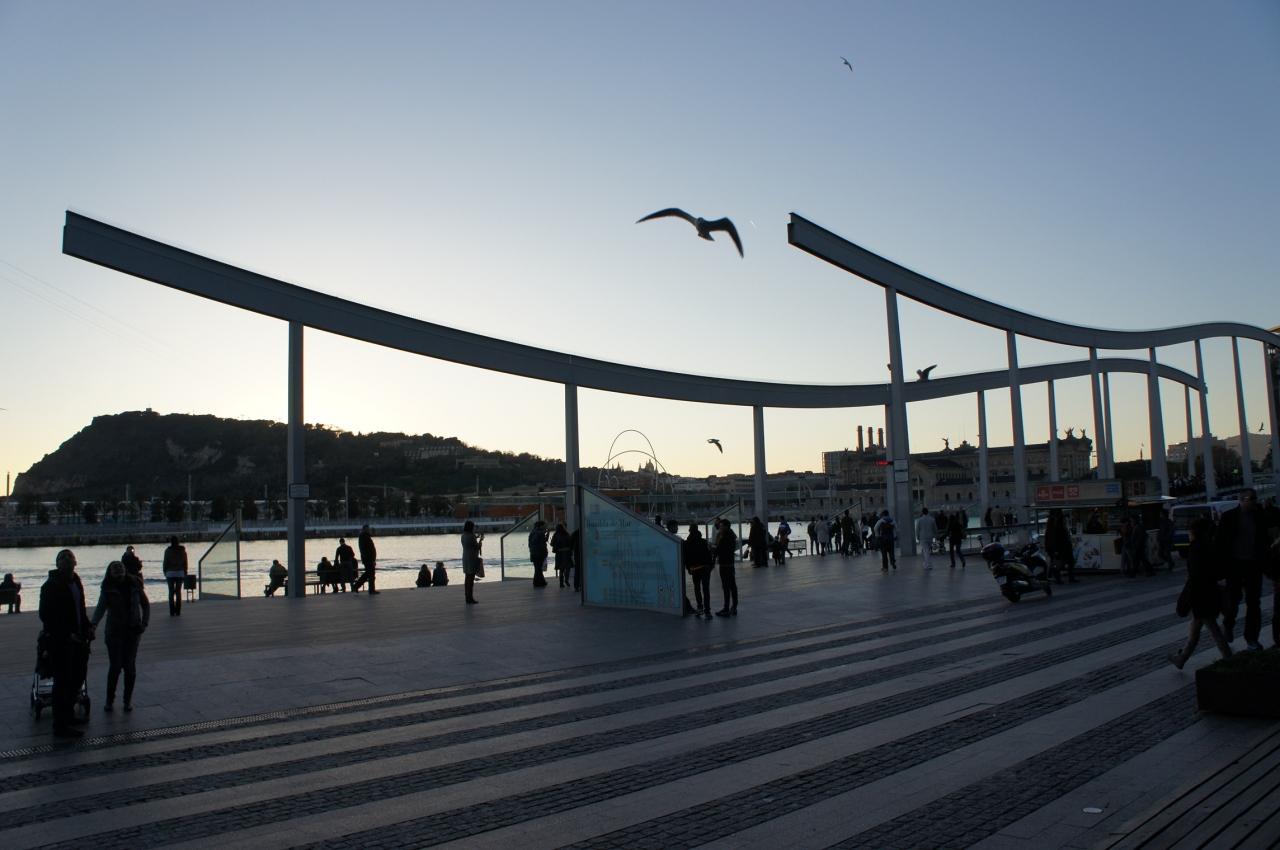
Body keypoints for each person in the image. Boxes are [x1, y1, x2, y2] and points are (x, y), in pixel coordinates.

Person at [39, 549, 92, 738]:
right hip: (60, 642)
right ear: (57, 564)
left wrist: (87, 628)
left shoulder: (76, 582)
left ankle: (68, 715)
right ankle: (60, 725)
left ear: (76, 562)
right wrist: (67, 634)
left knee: (77, 678)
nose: (67, 559)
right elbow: (46, 615)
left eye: (70, 556)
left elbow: (80, 609)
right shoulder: (50, 586)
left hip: (79, 640)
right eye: (63, 557)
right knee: (62, 682)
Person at [1169, 517, 1232, 668]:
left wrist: (1189, 595)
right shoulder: (1210, 546)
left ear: (1195, 532)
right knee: (1195, 630)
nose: (1188, 534)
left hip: (1201, 596)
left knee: (1213, 630)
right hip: (1210, 593)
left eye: (1190, 532)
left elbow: (1195, 576)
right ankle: (1181, 658)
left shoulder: (1195, 549)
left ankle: (1229, 658)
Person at [1217, 488, 1276, 650]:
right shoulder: (1229, 517)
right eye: (1251, 498)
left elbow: (1265, 541)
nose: (1255, 501)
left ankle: (1251, 638)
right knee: (1233, 599)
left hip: (1253, 565)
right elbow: (1220, 544)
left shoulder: (1260, 516)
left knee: (1254, 603)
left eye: (1255, 498)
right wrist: (1221, 569)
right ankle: (1228, 624)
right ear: (1242, 499)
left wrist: (1267, 564)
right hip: (1234, 565)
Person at [90, 560, 149, 711]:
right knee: (115, 667)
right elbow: (100, 608)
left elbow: (145, 604)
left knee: (130, 668)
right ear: (110, 573)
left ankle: (127, 701)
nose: (118, 570)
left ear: (125, 570)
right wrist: (93, 624)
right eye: (115, 569)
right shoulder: (108, 589)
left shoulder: (135, 584)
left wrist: (144, 624)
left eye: (120, 568)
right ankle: (109, 700)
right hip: (114, 632)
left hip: (133, 632)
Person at [683, 523, 713, 619]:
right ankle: (707, 611)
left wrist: (688, 568)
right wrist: (710, 566)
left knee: (697, 589)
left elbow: (686, 558)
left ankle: (700, 607)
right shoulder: (703, 542)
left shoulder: (687, 543)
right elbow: (708, 555)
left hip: (695, 569)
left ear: (689, 530)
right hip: (705, 568)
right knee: (706, 589)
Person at [1044, 508, 1077, 584]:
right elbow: (1054, 537)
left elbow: (1050, 537)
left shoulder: (1053, 523)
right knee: (1062, 562)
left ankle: (1059, 578)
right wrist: (1055, 549)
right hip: (1060, 547)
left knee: (1062, 562)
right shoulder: (1056, 523)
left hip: (1060, 547)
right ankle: (1061, 578)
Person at [713, 518, 738, 617]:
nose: (720, 527)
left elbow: (721, 549)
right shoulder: (730, 535)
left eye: (721, 526)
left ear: (726, 527)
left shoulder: (725, 537)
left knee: (726, 586)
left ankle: (726, 608)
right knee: (732, 586)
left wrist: (713, 548)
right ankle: (733, 607)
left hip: (725, 564)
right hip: (729, 564)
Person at [162, 536, 188, 617]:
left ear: (171, 542)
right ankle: (178, 611)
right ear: (178, 542)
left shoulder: (167, 551)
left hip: (170, 573)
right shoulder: (182, 551)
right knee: (178, 592)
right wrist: (185, 572)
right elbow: (185, 563)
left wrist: (164, 571)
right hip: (180, 573)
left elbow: (165, 562)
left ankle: (172, 611)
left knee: (171, 592)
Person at [352, 525, 379, 594]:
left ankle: (357, 586)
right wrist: (370, 559)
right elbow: (364, 549)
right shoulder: (363, 537)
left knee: (368, 574)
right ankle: (370, 589)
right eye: (368, 529)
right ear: (364, 529)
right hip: (368, 559)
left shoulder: (366, 536)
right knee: (370, 574)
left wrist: (373, 559)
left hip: (369, 559)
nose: (369, 530)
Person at [461, 520, 483, 604]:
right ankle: (470, 598)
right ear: (471, 527)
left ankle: (467, 596)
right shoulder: (471, 536)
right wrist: (480, 541)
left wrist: (476, 537)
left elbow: (470, 542)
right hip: (472, 559)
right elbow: (477, 546)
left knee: (467, 578)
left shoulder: (463, 535)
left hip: (465, 558)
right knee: (471, 579)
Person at [528, 520, 549, 588]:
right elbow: (542, 542)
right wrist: (545, 533)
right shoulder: (539, 533)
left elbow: (542, 540)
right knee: (538, 568)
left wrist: (546, 534)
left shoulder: (532, 532)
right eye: (544, 525)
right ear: (541, 526)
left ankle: (540, 582)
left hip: (534, 553)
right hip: (539, 553)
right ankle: (537, 582)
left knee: (537, 568)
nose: (545, 526)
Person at [551, 522, 573, 588]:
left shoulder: (555, 535)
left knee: (561, 569)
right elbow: (570, 543)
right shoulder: (566, 534)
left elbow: (552, 543)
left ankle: (561, 583)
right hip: (566, 553)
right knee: (567, 567)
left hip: (559, 554)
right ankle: (566, 580)